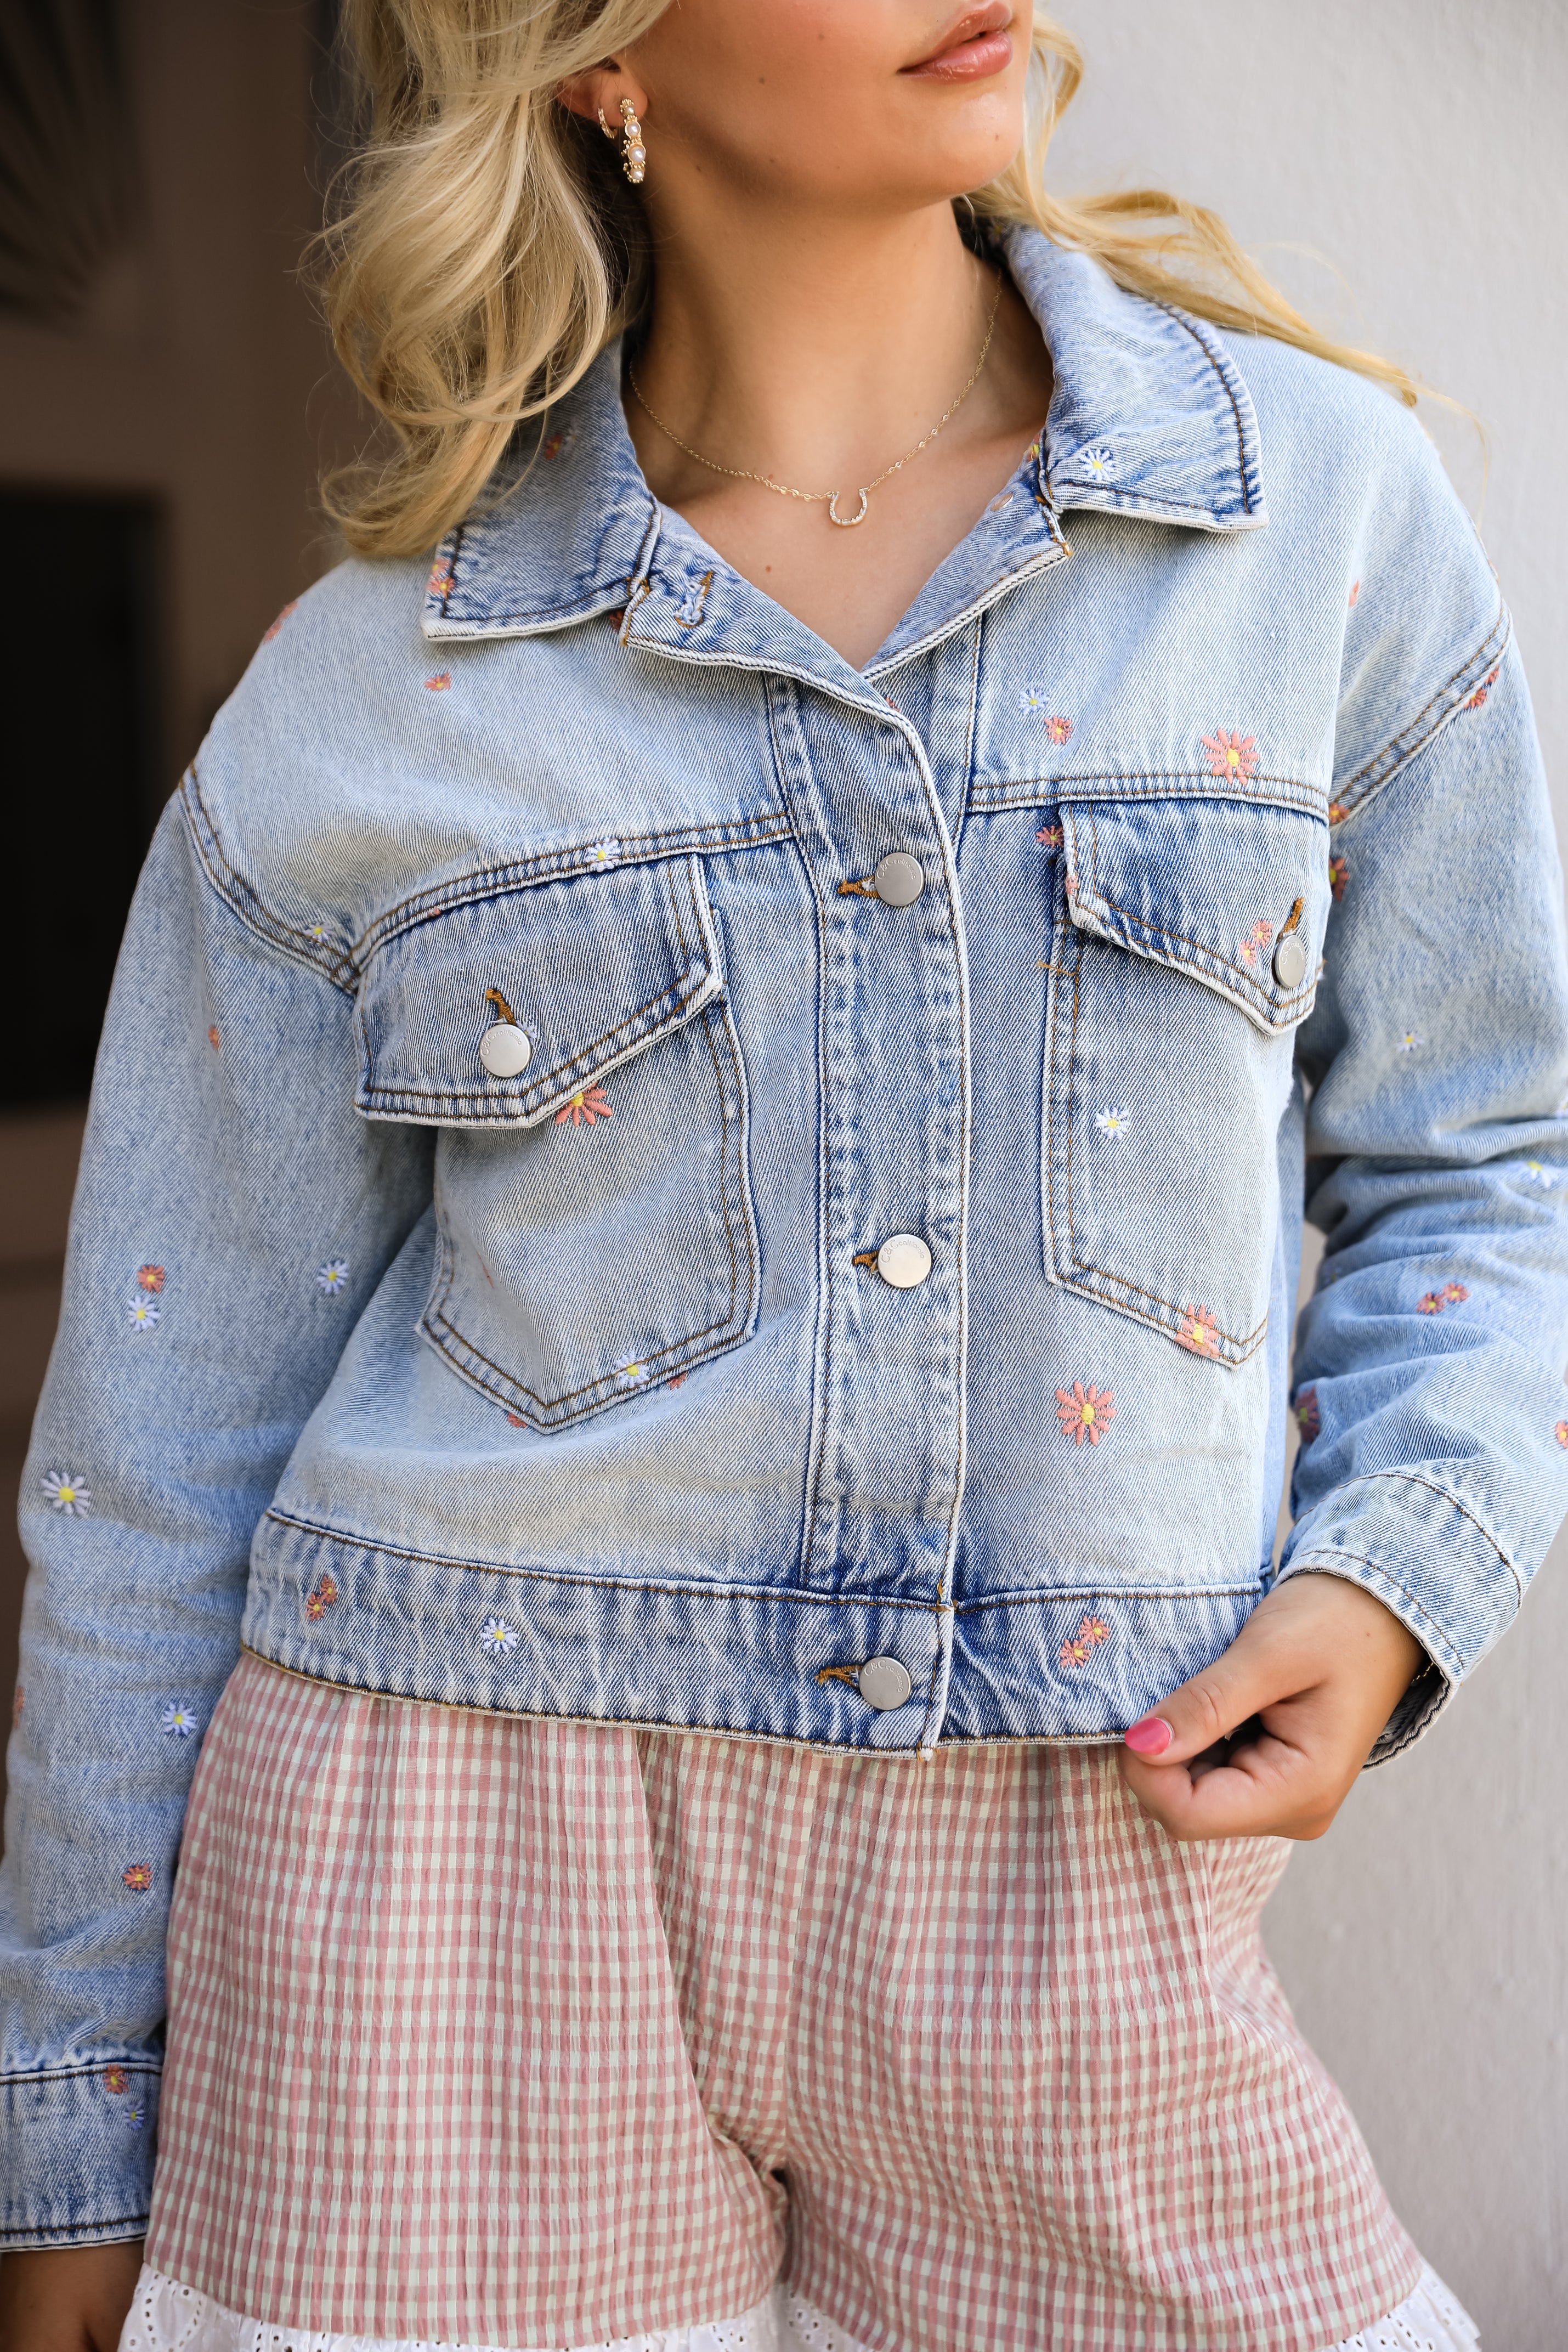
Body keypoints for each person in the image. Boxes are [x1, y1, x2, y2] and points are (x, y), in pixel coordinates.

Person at [3, 4, 1564, 2347]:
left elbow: (1493, 1149)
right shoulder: (367, 688)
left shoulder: (1311, 520)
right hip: (451, 1909)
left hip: (1073, 1869)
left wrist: (1393, 1569)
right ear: (594, 53)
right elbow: (152, 1471)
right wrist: (65, 2169)